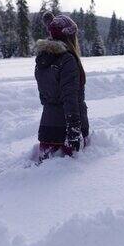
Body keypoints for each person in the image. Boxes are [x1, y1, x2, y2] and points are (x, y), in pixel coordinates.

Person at [34, 12, 89, 160]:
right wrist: (74, 130)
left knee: (42, 175)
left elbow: (44, 96)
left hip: (47, 130)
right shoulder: (68, 60)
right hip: (67, 134)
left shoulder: (43, 59)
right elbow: (70, 98)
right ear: (69, 37)